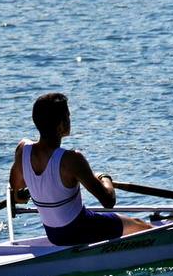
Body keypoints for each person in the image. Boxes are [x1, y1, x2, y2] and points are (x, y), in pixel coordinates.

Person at [9, 93, 151, 246]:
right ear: (60, 125)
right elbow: (108, 201)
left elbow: (17, 188)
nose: (70, 119)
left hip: (54, 235)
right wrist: (104, 178)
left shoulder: (22, 150)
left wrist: (25, 194)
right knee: (140, 225)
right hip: (79, 230)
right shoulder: (72, 159)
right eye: (68, 116)